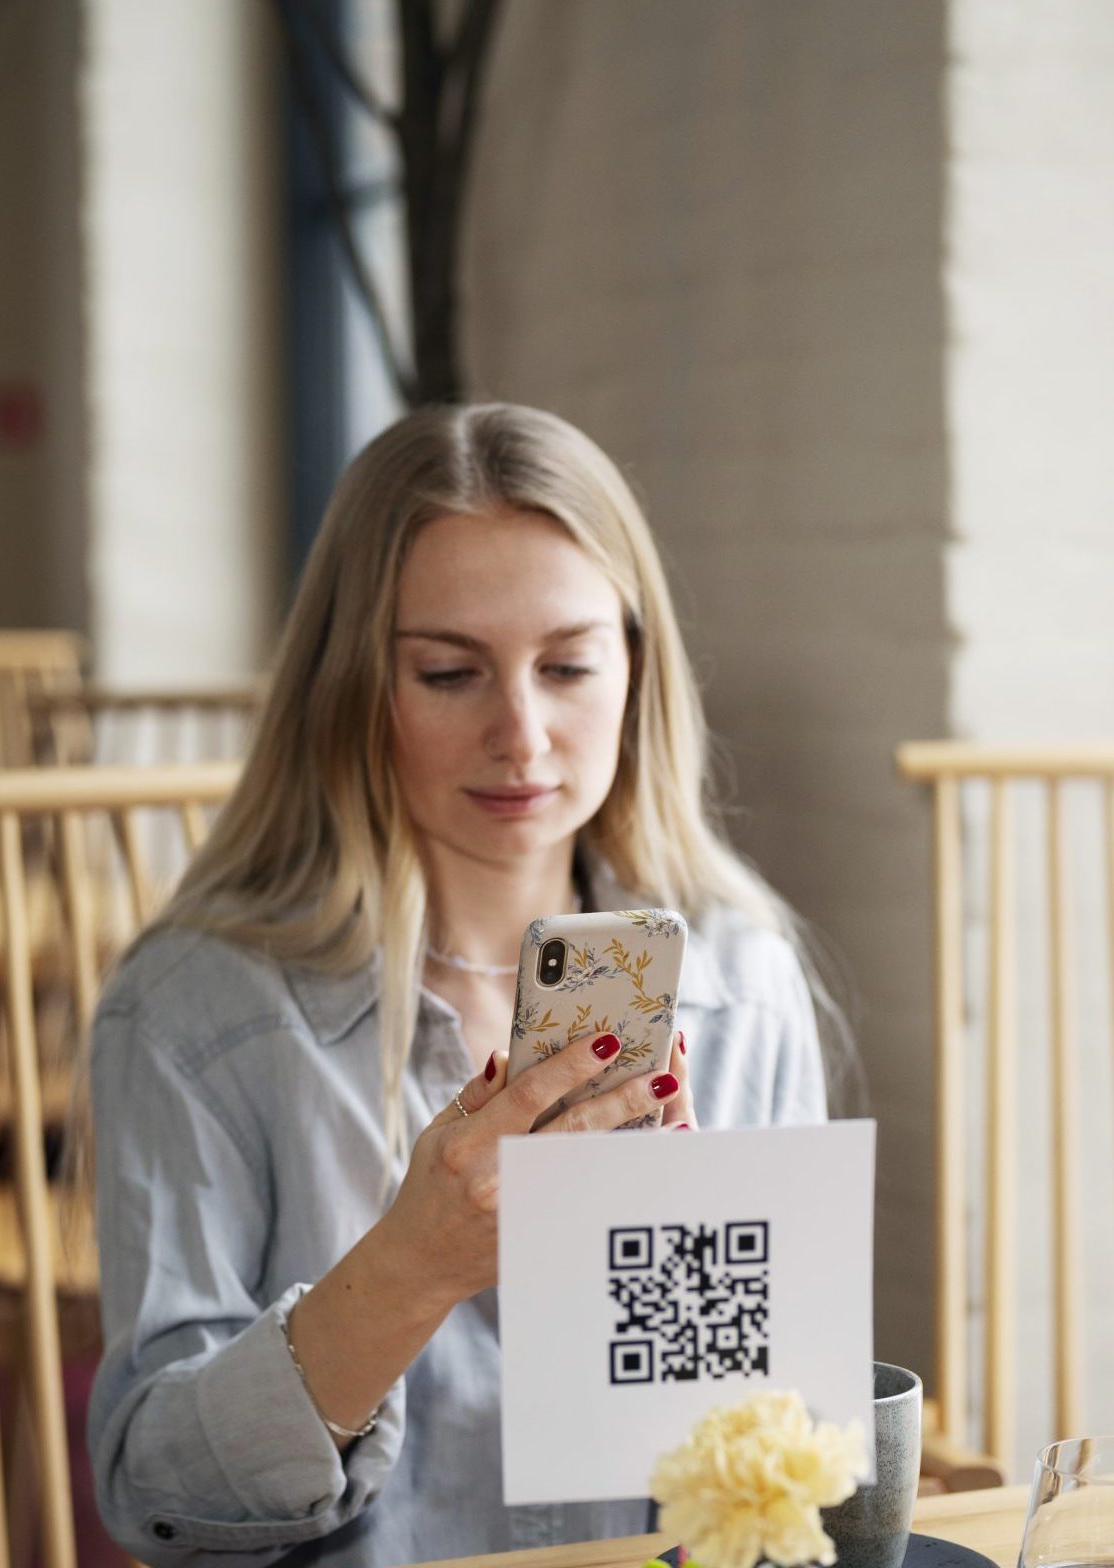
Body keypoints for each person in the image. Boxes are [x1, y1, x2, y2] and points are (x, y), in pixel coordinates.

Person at [88, 403, 838, 1568]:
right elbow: (156, 1493)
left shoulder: (739, 977)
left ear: (637, 668)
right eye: (448, 672)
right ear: (351, 684)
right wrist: (410, 1264)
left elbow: (775, 1443)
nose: (524, 736)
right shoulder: (199, 1012)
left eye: (570, 665)